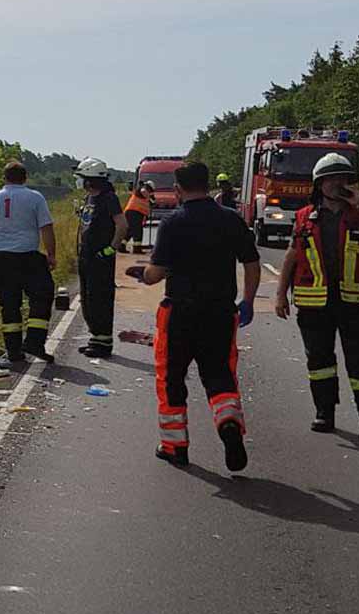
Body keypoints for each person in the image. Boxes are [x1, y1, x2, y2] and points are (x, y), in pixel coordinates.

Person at [127, 162, 259, 471]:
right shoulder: (230, 219)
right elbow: (251, 264)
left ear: (178, 189)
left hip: (180, 314)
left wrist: (142, 274)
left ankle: (175, 447)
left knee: (171, 379)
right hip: (220, 312)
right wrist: (248, 301)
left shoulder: (173, 223)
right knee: (219, 375)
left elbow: (156, 273)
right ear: (208, 184)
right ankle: (228, 423)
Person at [274, 153, 359, 438]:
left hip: (355, 304)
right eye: (330, 179)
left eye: (342, 178)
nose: (337, 183)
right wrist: (280, 295)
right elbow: (292, 255)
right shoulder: (304, 216)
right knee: (320, 364)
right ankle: (324, 413)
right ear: (319, 184)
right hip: (314, 304)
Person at [0, 161, 56, 363]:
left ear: (4, 178)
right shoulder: (35, 197)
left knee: (9, 303)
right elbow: (46, 228)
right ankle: (34, 341)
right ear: (25, 178)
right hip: (28, 256)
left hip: (3, 258)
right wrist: (51, 254)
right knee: (42, 296)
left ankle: (13, 350)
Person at [74, 158, 127, 357]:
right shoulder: (90, 197)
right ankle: (96, 338)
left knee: (100, 299)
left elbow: (122, 225)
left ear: (91, 179)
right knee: (88, 298)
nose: (79, 181)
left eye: (81, 177)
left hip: (100, 257)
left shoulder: (108, 198)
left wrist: (110, 249)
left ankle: (104, 343)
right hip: (86, 255)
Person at [121, 180, 154, 253]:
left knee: (130, 230)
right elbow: (143, 191)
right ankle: (137, 248)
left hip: (133, 212)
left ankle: (121, 246)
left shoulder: (143, 192)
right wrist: (149, 197)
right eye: (150, 189)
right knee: (138, 230)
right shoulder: (143, 189)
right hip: (134, 212)